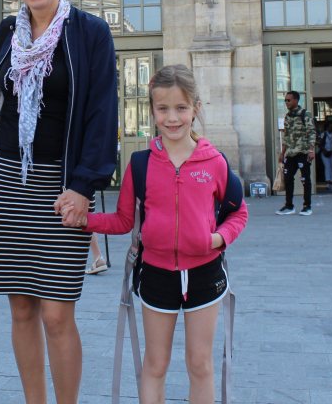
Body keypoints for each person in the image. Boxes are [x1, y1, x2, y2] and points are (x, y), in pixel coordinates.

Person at [0, 0, 118, 404]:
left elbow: (102, 111)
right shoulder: (7, 33)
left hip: (60, 185)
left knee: (56, 313)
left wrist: (83, 185)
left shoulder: (90, 31)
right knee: (20, 310)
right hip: (9, 182)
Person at [66, 64, 248, 403]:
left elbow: (238, 210)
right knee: (155, 363)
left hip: (205, 274)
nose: (173, 117)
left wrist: (219, 238)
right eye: (163, 109)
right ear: (152, 111)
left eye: (181, 108)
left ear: (196, 108)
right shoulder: (140, 163)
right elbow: (123, 221)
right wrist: (84, 220)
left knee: (200, 364)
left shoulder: (215, 162)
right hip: (156, 275)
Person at [276, 90, 316, 216]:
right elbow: (286, 136)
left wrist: (311, 150)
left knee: (305, 179)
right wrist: (282, 153)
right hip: (291, 153)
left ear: (296, 100)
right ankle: (289, 206)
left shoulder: (305, 114)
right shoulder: (288, 116)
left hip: (303, 152)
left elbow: (311, 132)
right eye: (285, 100)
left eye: (289, 100)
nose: (286, 102)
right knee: (288, 178)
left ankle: (307, 206)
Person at [318, 121, 332, 192]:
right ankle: (328, 183)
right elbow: (319, 143)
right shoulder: (323, 134)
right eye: (329, 126)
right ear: (327, 127)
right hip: (324, 153)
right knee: (327, 167)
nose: (331, 128)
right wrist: (324, 150)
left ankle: (331, 182)